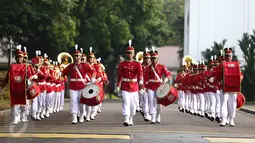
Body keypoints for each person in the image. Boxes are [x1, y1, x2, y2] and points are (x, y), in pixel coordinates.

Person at [0, 45, 35, 124]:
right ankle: (16, 117)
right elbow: (7, 77)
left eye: (21, 57)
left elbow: (30, 77)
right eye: (18, 57)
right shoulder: (12, 66)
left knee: (24, 104)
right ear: (16, 58)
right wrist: (2, 86)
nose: (19, 58)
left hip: (23, 88)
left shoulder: (26, 67)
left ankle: (23, 116)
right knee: (15, 104)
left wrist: (32, 78)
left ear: (23, 58)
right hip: (14, 88)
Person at [62, 45, 96, 124]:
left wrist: (93, 78)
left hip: (82, 86)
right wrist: (60, 72)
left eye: (78, 56)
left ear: (80, 57)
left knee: (81, 102)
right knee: (73, 101)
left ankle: (81, 115)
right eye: (75, 56)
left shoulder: (85, 65)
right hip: (73, 86)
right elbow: (63, 73)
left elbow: (93, 71)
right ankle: (74, 117)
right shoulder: (70, 66)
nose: (76, 57)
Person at [116, 40, 143, 126]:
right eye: (128, 53)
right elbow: (120, 75)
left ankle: (131, 117)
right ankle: (126, 118)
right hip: (125, 86)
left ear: (134, 54)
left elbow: (140, 73)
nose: (130, 54)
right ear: (126, 54)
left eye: (131, 53)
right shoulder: (122, 64)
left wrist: (141, 81)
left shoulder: (137, 64)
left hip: (134, 86)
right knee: (126, 102)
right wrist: (118, 85)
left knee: (133, 104)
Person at [145, 47, 171, 124]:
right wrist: (144, 86)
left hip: (159, 86)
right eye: (152, 58)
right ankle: (153, 116)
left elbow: (168, 74)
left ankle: (158, 115)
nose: (153, 60)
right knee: (151, 101)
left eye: (155, 58)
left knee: (159, 103)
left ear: (158, 58)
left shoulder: (161, 66)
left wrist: (166, 78)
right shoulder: (148, 68)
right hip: (150, 86)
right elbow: (145, 77)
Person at [220, 48, 242, 127]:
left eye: (229, 56)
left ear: (232, 56)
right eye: (227, 55)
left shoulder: (236, 65)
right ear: (225, 56)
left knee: (232, 104)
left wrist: (240, 78)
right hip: (224, 88)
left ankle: (231, 119)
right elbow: (217, 73)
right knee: (224, 103)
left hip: (233, 88)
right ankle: (223, 119)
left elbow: (240, 74)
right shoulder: (222, 64)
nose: (228, 57)